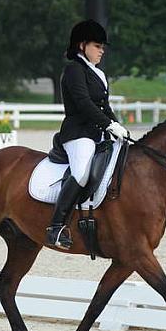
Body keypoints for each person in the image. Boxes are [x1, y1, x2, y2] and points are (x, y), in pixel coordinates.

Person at [45, 19, 129, 250]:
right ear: (82, 45)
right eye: (97, 46)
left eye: (103, 47)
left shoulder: (98, 74)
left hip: (98, 133)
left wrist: (116, 126)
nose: (102, 51)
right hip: (78, 134)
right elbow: (83, 103)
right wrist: (108, 125)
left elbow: (103, 106)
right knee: (81, 174)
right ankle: (56, 227)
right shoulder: (73, 70)